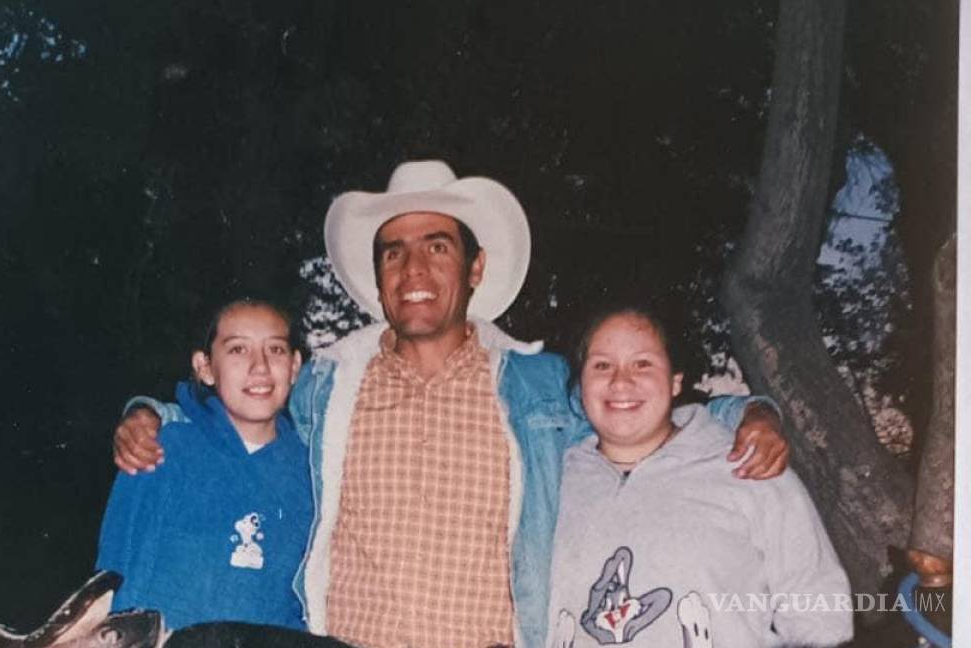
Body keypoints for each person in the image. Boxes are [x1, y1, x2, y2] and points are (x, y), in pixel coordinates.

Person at [112, 160, 790, 648]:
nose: (413, 270)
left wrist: (746, 412)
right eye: (394, 252)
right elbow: (234, 411)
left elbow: (641, 411)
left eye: (437, 247)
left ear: (474, 269)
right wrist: (151, 413)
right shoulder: (325, 386)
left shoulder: (537, 390)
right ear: (377, 279)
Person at [547, 304, 852, 647]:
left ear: (676, 380)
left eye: (642, 363)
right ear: (581, 384)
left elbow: (821, 617)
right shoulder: (550, 480)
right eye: (602, 365)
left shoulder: (747, 465)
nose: (621, 381)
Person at [96, 299, 313, 631]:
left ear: (295, 366)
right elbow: (115, 574)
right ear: (205, 367)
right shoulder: (160, 448)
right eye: (238, 349)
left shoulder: (312, 471)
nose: (260, 366)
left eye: (276, 350)